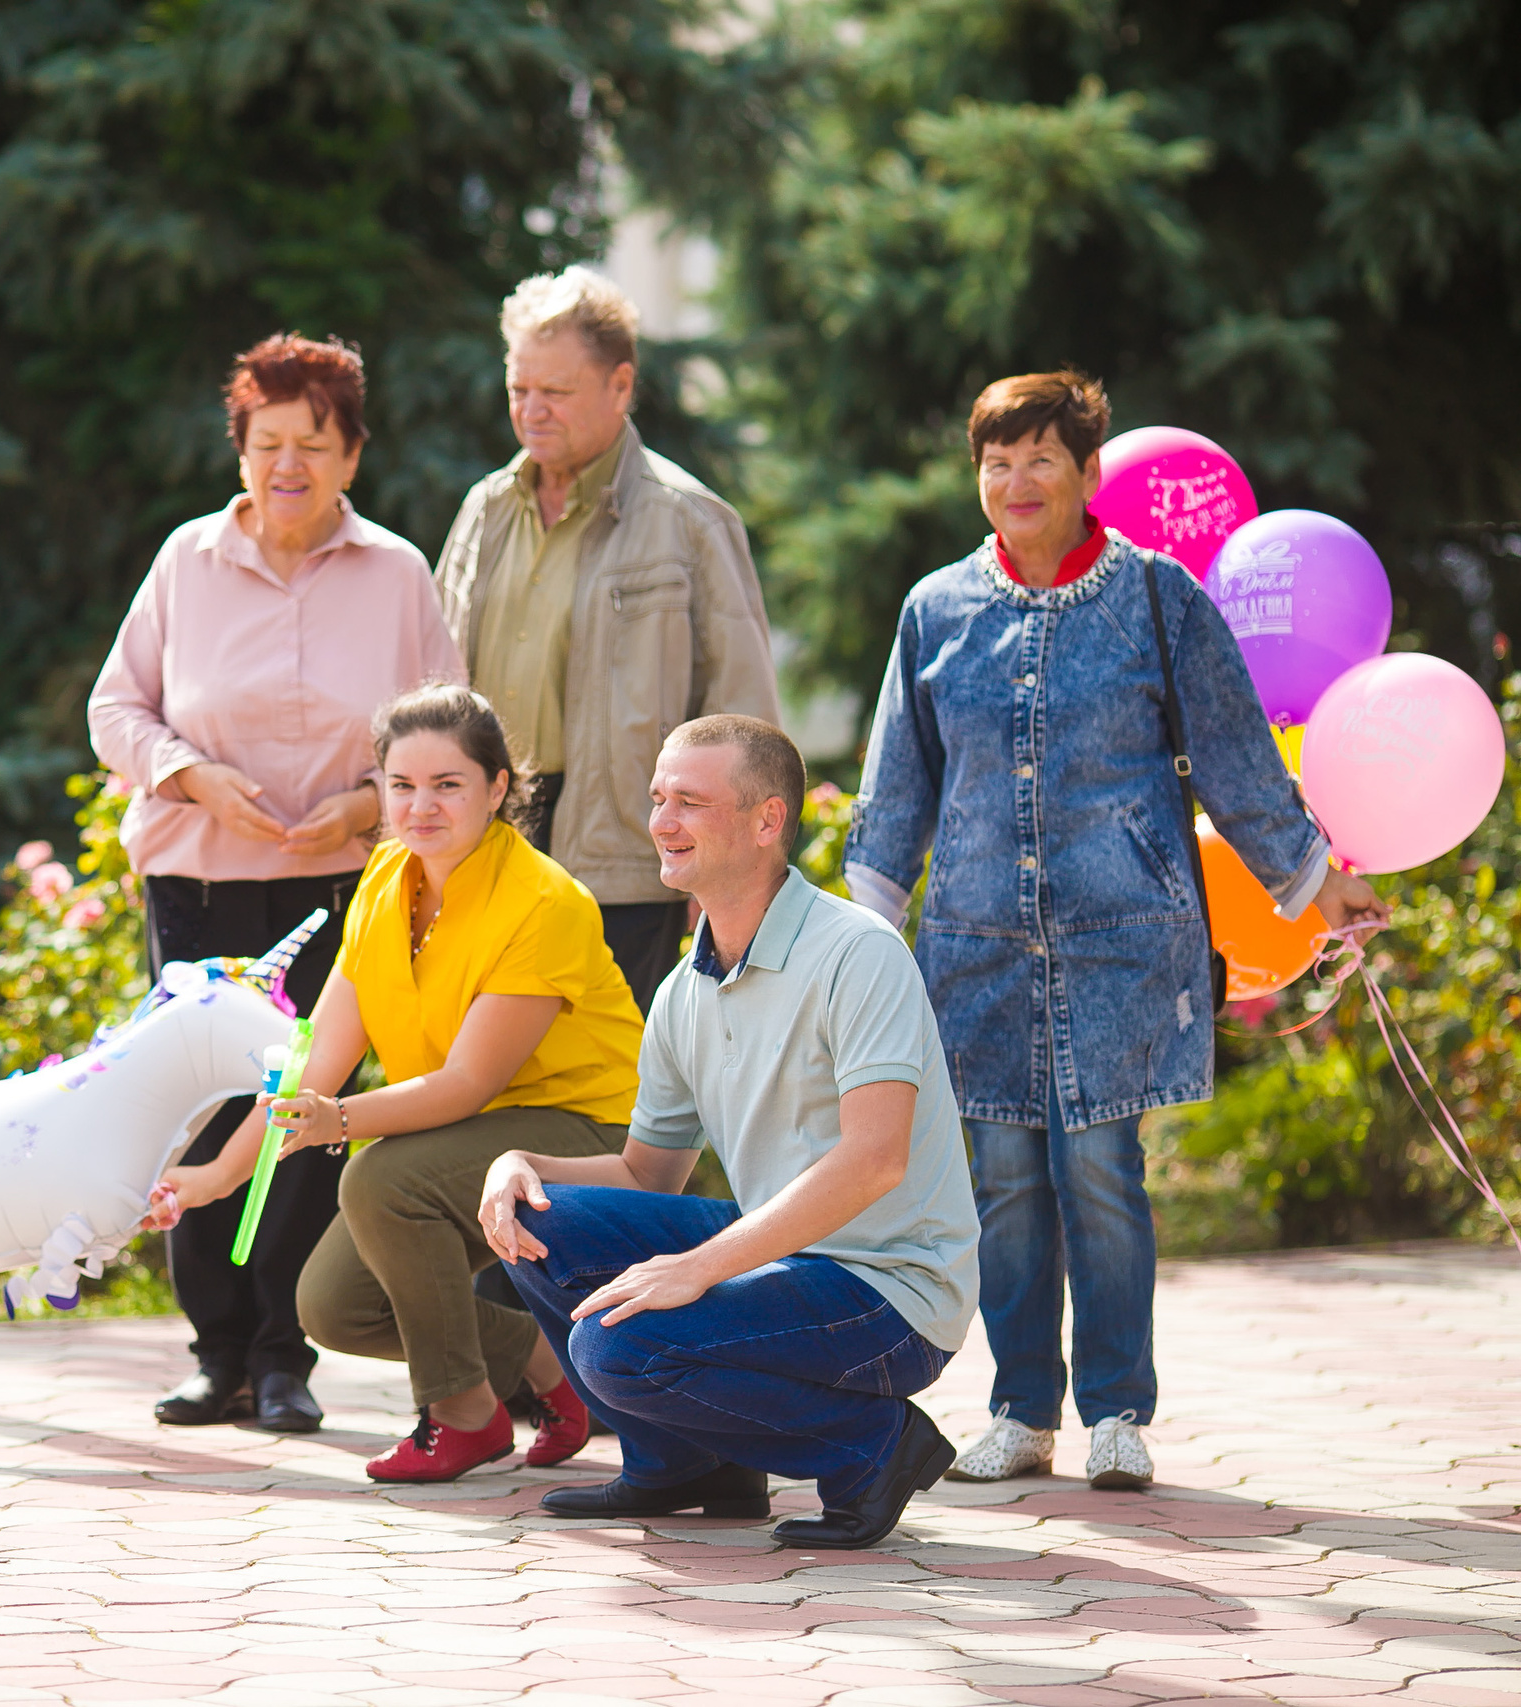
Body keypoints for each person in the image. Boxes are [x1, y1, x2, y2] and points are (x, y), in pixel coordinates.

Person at [845, 370, 1387, 1492]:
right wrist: (865, 931)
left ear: (1090, 475)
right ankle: (1017, 1409)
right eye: (996, 462)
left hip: (1121, 942)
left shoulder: (1157, 598)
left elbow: (1237, 754)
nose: (1016, 481)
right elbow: (898, 784)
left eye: (1041, 458)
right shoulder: (935, 610)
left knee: (1100, 1171)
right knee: (1002, 1179)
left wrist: (1311, 882)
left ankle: (1116, 1411)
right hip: (977, 950)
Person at [480, 716, 981, 1549]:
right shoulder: (683, 992)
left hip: (893, 1292)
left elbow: (874, 1160)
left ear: (766, 821)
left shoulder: (859, 952)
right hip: (785, 1257)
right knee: (534, 1221)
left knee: (615, 1350)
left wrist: (698, 1268)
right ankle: (684, 1465)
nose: (662, 821)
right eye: (657, 798)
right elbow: (648, 1174)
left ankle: (873, 1448)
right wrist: (516, 1161)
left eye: (690, 801)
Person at [90, 334, 466, 1436]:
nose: (287, 465)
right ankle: (216, 1354)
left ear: (351, 456)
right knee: (207, 1109)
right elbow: (117, 710)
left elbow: (443, 720)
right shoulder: (185, 561)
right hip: (199, 880)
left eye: (312, 444)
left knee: (305, 1111)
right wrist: (194, 778)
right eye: (266, 443)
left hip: (345, 883)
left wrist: (365, 804)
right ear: (240, 449)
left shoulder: (395, 573)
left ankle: (282, 1355)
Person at [148, 683, 645, 1483]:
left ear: (497, 789)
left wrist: (337, 1119)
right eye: (402, 785)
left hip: (589, 1128)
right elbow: (319, 1058)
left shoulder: (545, 901)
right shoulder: (385, 878)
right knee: (333, 1307)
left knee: (381, 1178)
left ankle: (464, 1416)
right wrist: (214, 1177)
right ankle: (544, 1363)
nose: (421, 806)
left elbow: (468, 1085)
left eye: (448, 784)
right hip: (468, 1134)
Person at [435, 265, 782, 1010]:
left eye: (554, 392)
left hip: (629, 855)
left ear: (620, 386)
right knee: (488, 1086)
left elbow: (744, 713)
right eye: (519, 389)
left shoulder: (691, 519)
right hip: (488, 845)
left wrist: (726, 869)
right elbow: (433, 679)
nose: (532, 410)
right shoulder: (484, 509)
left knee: (617, 1096)